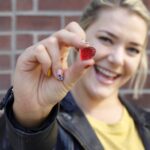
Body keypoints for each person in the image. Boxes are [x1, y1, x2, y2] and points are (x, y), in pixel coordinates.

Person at [0, 0, 150, 149]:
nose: (117, 59)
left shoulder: (146, 124)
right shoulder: (44, 117)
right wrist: (28, 121)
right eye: (106, 39)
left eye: (133, 49)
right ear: (81, 37)